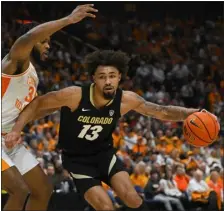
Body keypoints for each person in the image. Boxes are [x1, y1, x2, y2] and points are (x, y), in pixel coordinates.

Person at [5, 50, 216, 211]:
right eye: (102, 76)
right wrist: (16, 129)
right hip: (77, 160)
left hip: (104, 155)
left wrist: (193, 112)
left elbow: (161, 111)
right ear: (94, 79)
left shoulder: (126, 100)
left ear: (119, 78)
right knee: (106, 207)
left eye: (112, 76)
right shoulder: (74, 95)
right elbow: (37, 104)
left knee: (133, 199)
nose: (108, 81)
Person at [1, 4, 97, 211]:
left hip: (7, 137)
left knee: (43, 189)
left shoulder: (32, 76)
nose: (48, 46)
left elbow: (29, 114)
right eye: (44, 42)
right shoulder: (12, 63)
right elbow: (28, 38)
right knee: (19, 190)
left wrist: (62, 106)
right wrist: (68, 20)